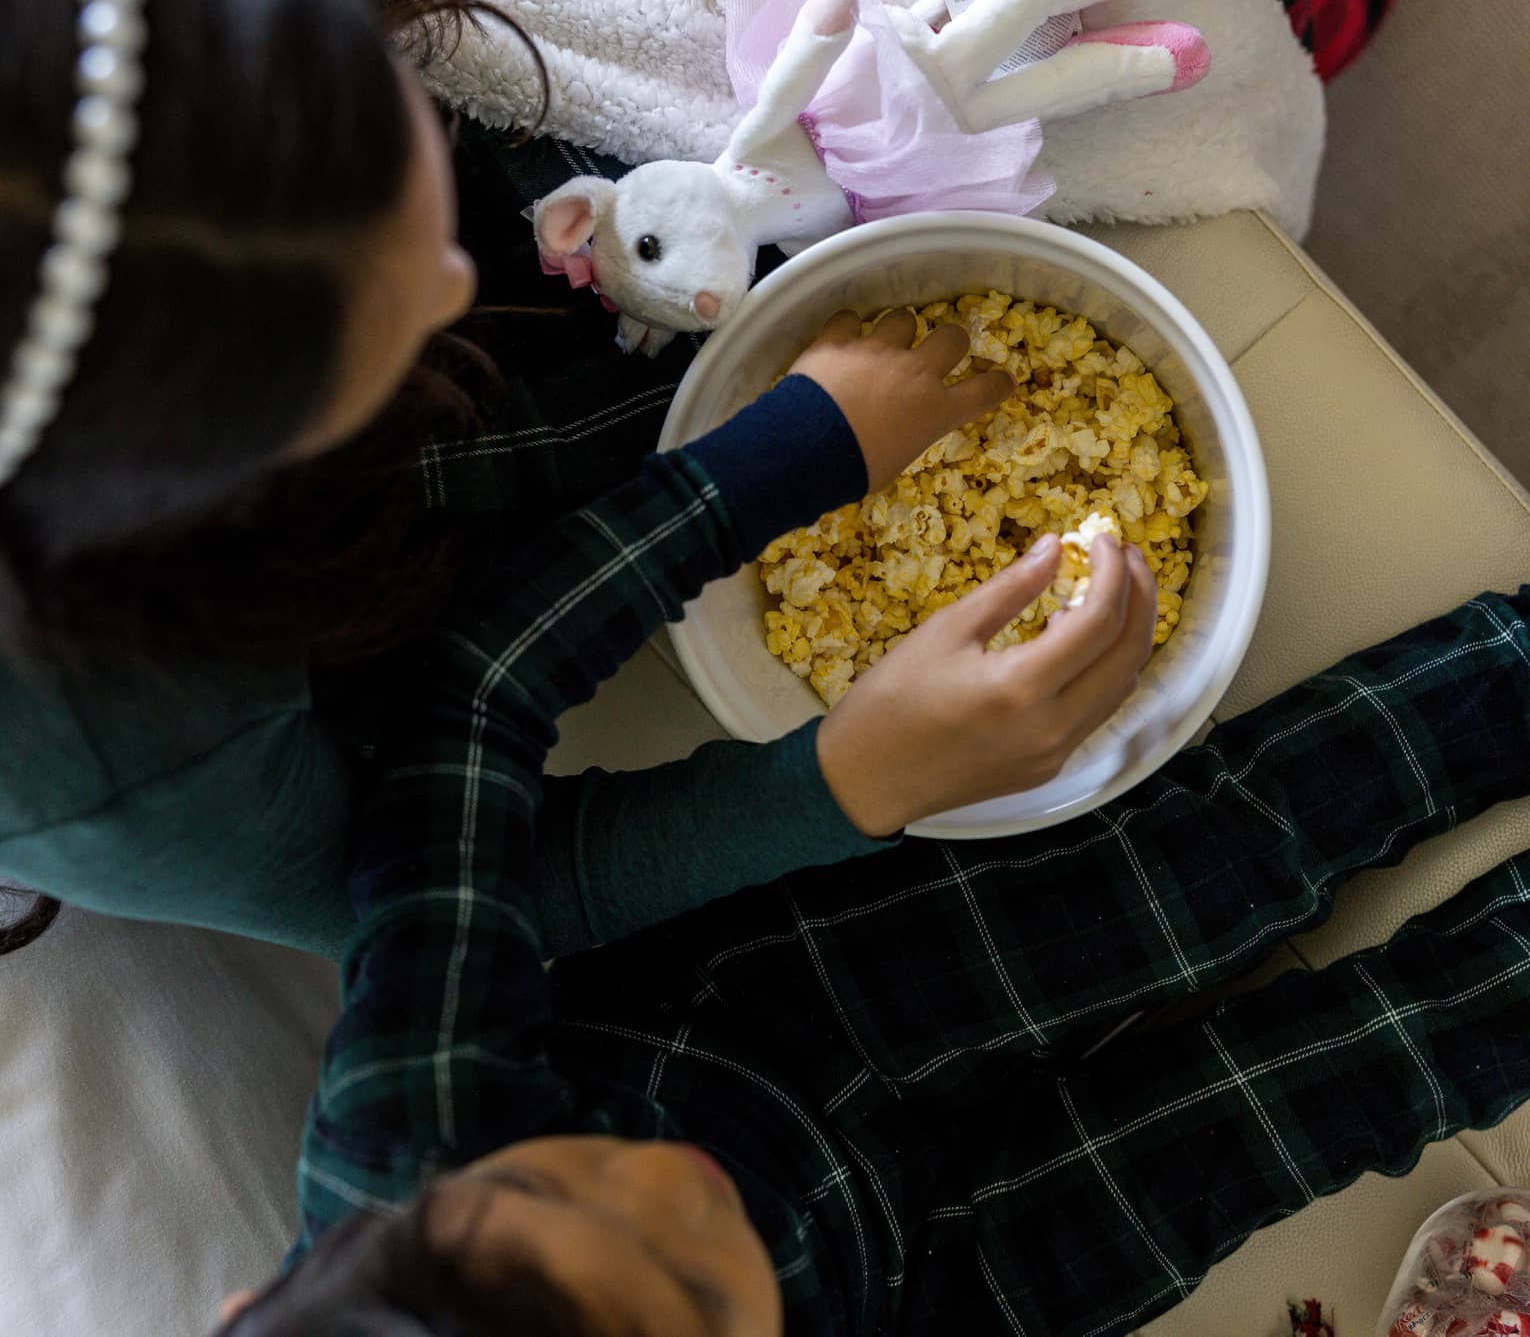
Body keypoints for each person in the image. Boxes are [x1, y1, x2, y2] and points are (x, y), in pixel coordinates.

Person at [204, 293, 1530, 1336]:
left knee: (1216, 855)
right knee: (1327, 1093)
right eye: (694, 1299)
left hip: (768, 1011)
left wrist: (779, 461)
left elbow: (472, 704)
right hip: (926, 1297)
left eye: (558, 1177)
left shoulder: (403, 1147)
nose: (675, 1194)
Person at [0, 0, 964, 962]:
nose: (448, 279)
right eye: (351, 339)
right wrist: (842, 781)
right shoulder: (97, 759)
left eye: (374, 115)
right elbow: (412, 898)